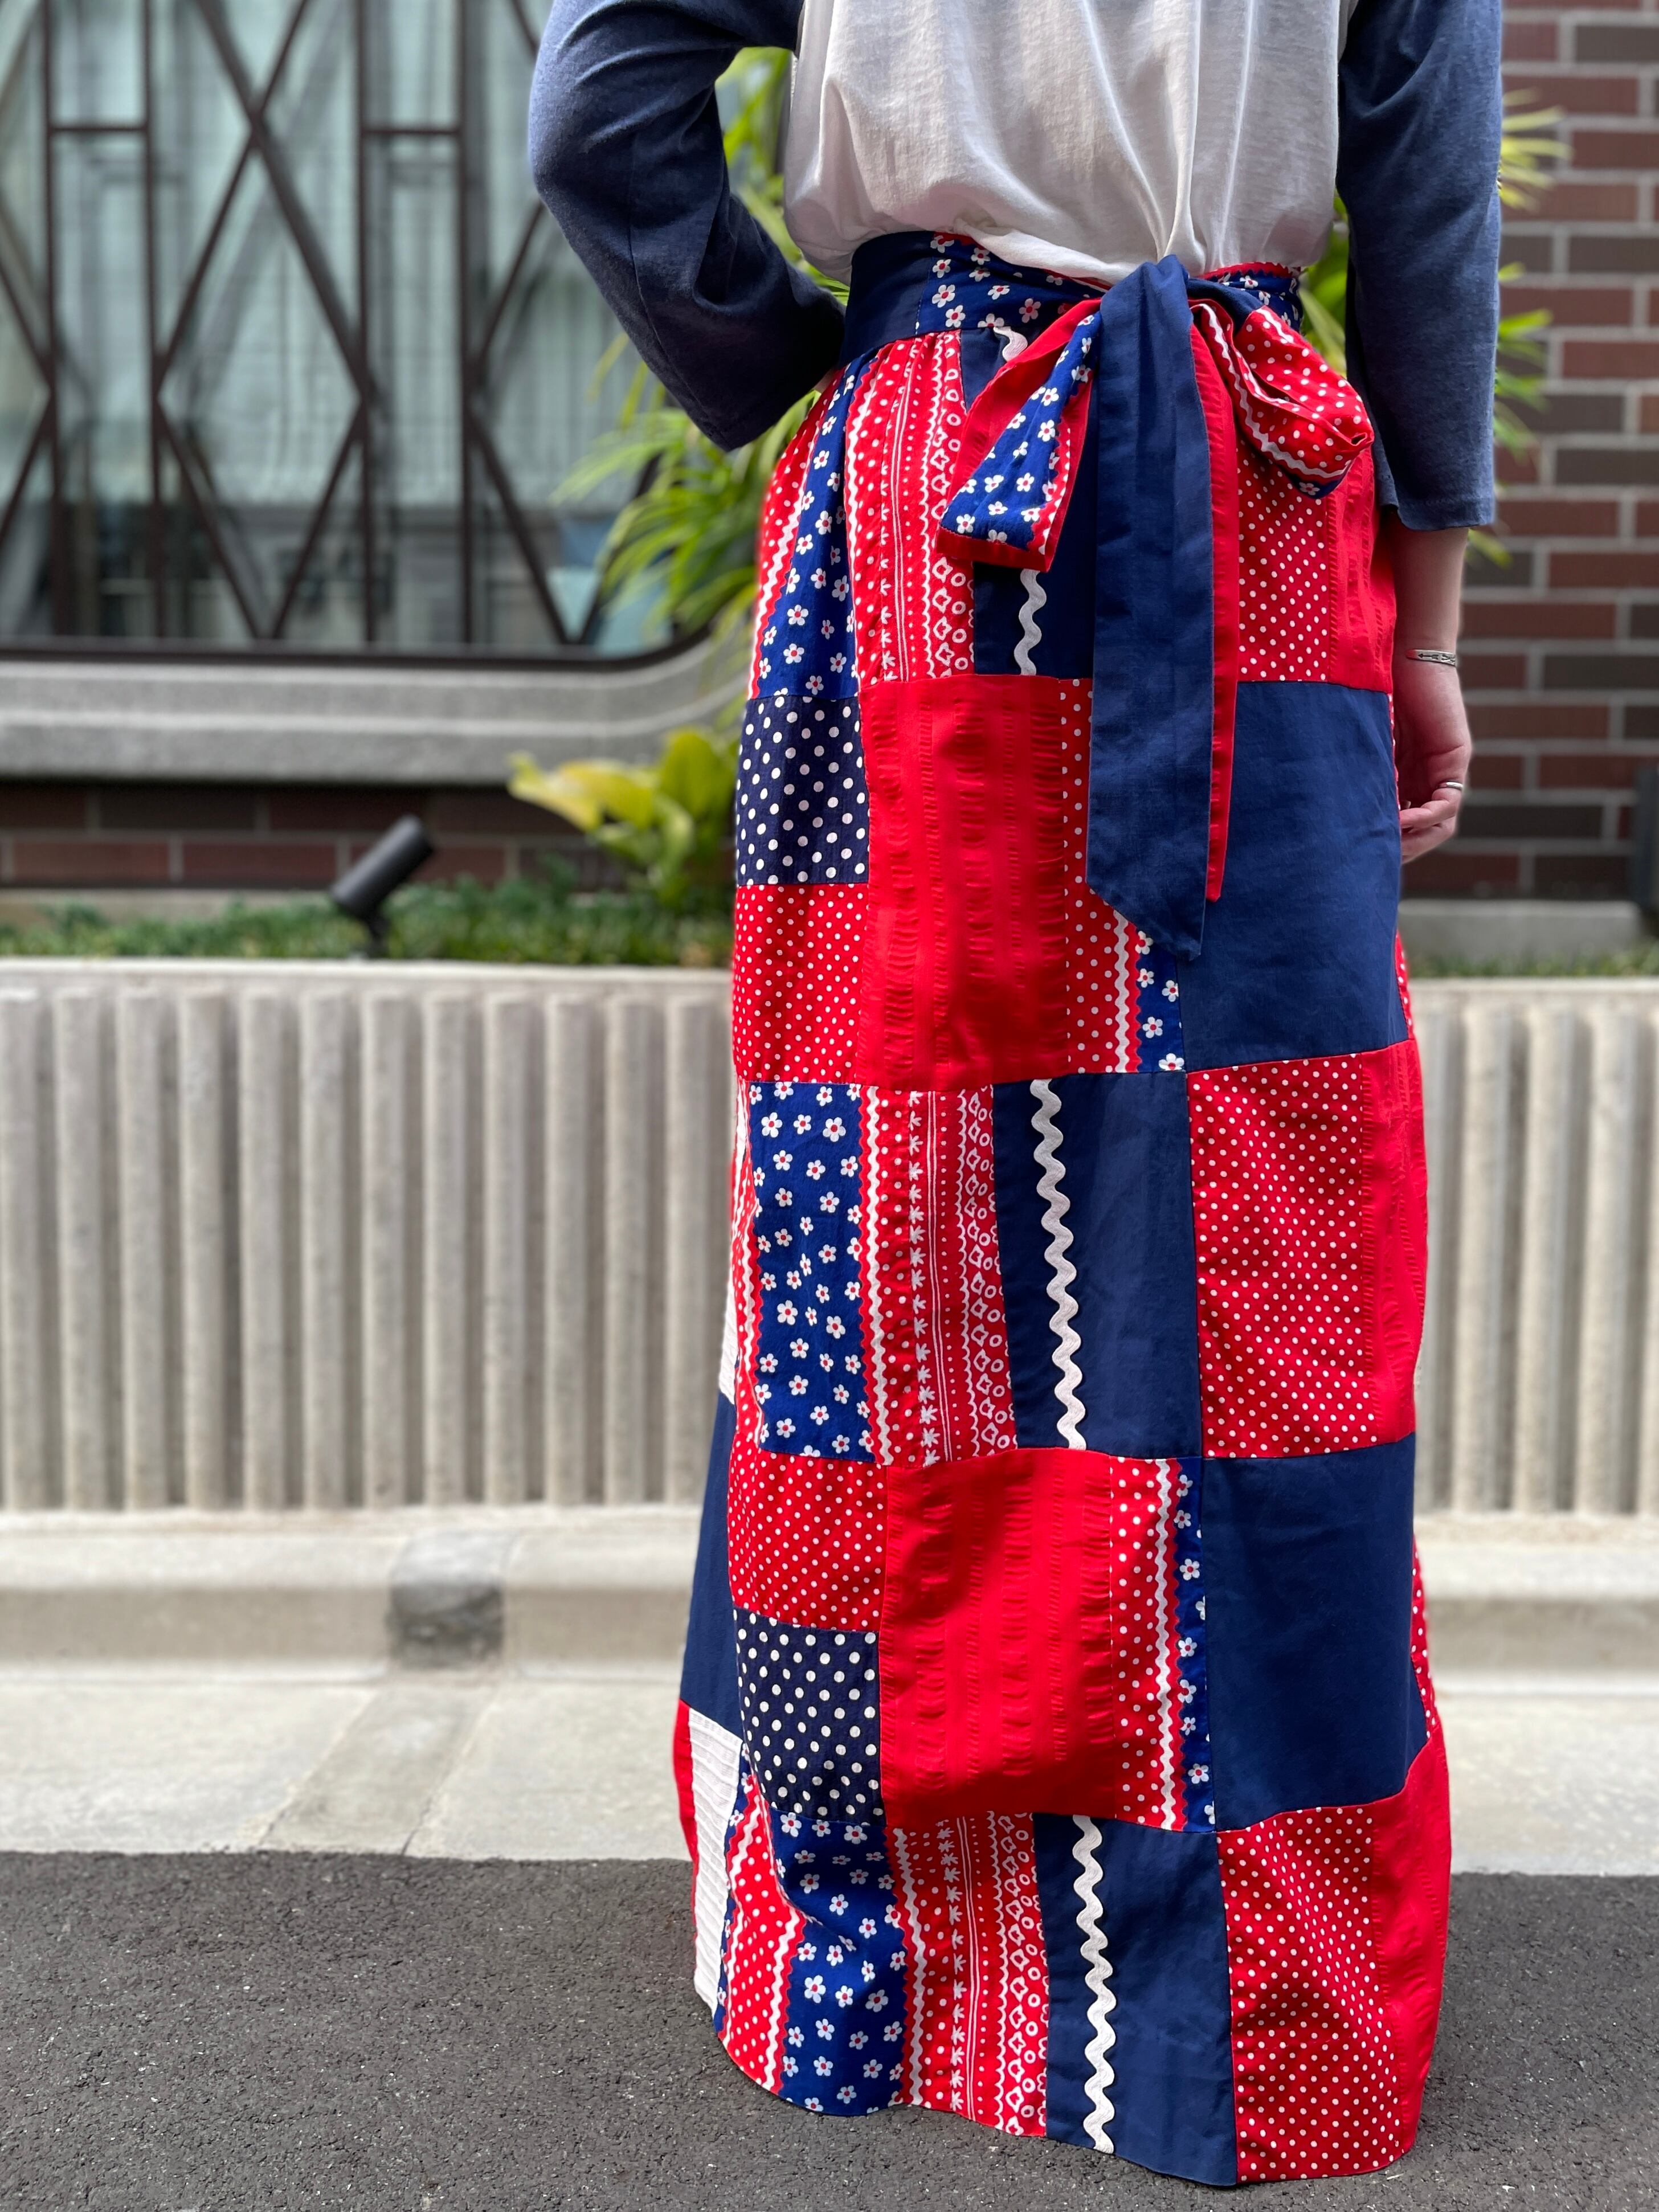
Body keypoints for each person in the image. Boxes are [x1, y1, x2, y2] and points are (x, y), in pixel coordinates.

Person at [531, 0, 1498, 2185]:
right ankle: (1257, 1999)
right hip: (1251, 501)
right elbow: (1428, 198)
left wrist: (808, 360)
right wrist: (1427, 622)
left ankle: (866, 1944)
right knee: (1266, 1248)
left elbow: (596, 111)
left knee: (880, 1215)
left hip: (921, 490)